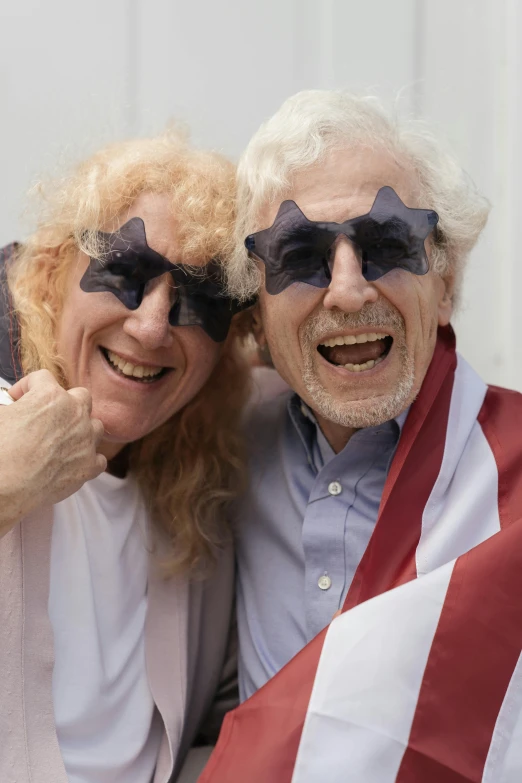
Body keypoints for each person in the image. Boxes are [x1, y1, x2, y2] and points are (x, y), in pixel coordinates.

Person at [198, 91, 522, 782]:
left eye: (385, 244)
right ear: (255, 305)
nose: (348, 290)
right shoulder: (220, 444)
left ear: (446, 280)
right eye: (300, 254)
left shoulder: (516, 472)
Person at [0, 131, 250, 783]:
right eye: (126, 271)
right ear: (55, 269)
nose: (151, 324)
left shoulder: (199, 500)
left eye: (201, 298)